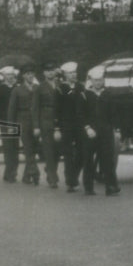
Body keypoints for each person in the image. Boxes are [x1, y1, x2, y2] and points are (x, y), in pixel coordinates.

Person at [79, 65, 120, 196]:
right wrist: (87, 128)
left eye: (101, 80)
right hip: (90, 132)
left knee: (108, 159)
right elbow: (81, 114)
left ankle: (111, 186)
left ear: (104, 80)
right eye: (96, 80)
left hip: (105, 131)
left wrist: (116, 129)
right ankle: (88, 187)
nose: (98, 82)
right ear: (91, 81)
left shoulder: (108, 95)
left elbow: (113, 113)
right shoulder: (85, 95)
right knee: (88, 160)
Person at [8, 65, 40, 185]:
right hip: (23, 121)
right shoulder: (17, 90)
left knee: (34, 148)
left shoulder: (38, 88)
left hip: (36, 122)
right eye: (28, 74)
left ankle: (27, 176)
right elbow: (12, 109)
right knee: (28, 148)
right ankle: (35, 172)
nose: (30, 76)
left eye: (32, 73)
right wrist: (11, 125)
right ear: (23, 76)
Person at [32, 62, 62, 189]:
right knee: (49, 150)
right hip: (46, 121)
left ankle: (50, 170)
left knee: (57, 151)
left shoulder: (60, 86)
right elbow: (35, 108)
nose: (50, 73)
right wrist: (36, 126)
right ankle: (52, 177)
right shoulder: (40, 88)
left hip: (59, 122)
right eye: (48, 71)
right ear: (44, 73)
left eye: (52, 70)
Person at [57, 61, 83, 193]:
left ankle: (74, 176)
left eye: (75, 72)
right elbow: (58, 109)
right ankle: (70, 181)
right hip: (66, 124)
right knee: (68, 154)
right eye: (70, 73)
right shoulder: (61, 89)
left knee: (82, 152)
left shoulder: (80, 87)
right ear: (65, 75)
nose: (74, 75)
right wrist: (57, 127)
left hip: (80, 124)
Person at [0, 66, 19, 182]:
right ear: (4, 76)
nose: (10, 77)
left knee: (15, 147)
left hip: (16, 121)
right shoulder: (0, 89)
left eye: (12, 75)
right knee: (8, 148)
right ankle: (9, 174)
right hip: (4, 121)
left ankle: (13, 172)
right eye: (8, 75)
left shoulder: (16, 88)